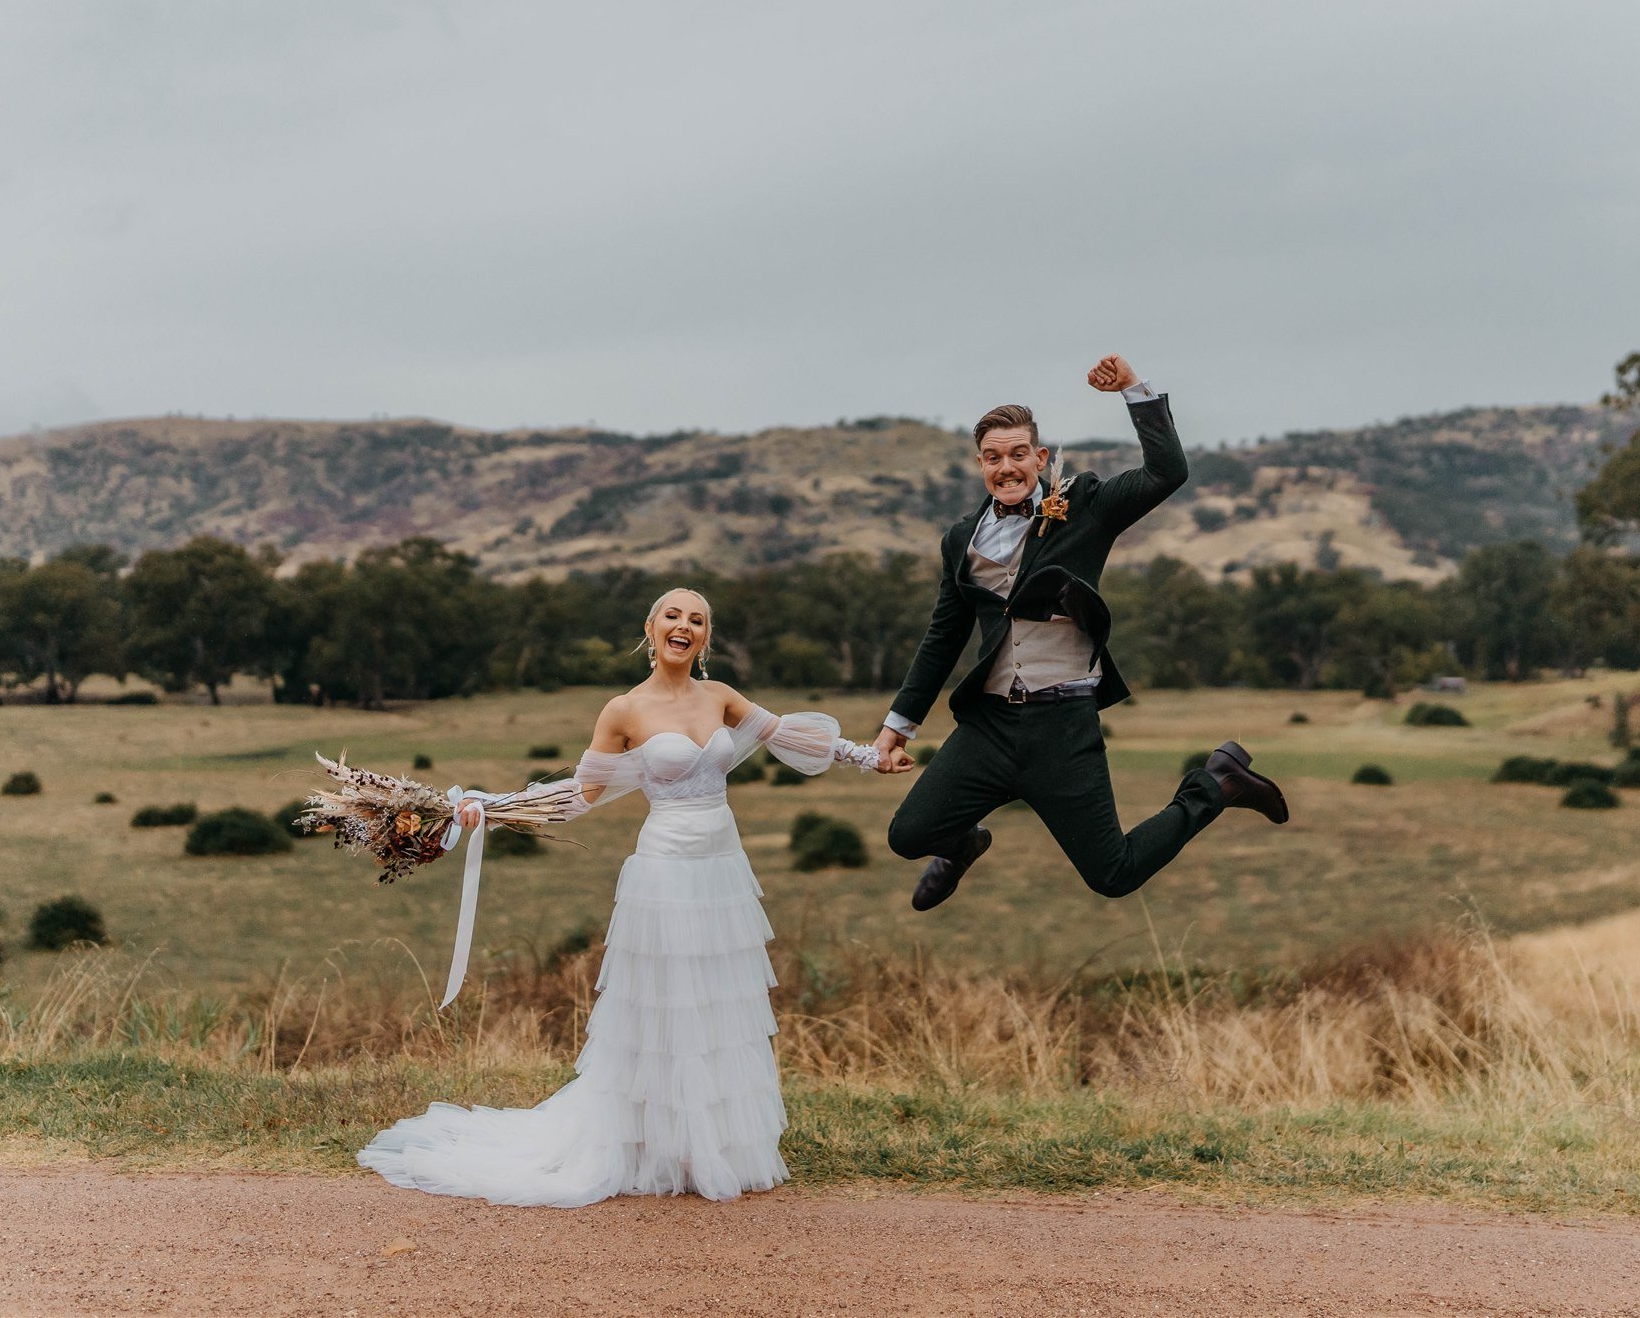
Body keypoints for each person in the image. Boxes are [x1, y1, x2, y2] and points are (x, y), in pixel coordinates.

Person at [359, 588, 890, 1206]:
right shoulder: (622, 711)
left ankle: (707, 1144)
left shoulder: (721, 698)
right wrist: (493, 810)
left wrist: (868, 758)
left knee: (718, 1002)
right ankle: (647, 1145)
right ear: (650, 628)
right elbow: (579, 795)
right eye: (673, 615)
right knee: (663, 1007)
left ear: (706, 640)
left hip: (721, 871)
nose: (684, 626)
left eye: (698, 620)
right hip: (663, 872)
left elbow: (789, 737)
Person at [871, 355, 1289, 912]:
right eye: (993, 458)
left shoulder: (1085, 506)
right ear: (980, 466)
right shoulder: (959, 541)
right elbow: (943, 637)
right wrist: (898, 725)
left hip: (1062, 729)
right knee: (908, 835)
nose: (1007, 467)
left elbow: (1168, 473)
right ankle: (963, 845)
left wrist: (1133, 391)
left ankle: (1217, 784)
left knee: (1113, 874)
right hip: (989, 726)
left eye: (1019, 454)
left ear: (1039, 458)